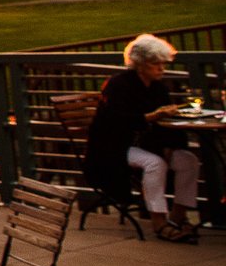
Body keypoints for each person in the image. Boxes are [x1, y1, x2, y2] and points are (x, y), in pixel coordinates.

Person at [85, 33, 201, 243]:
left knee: (188, 160)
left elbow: (163, 127)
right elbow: (115, 122)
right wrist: (152, 116)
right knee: (155, 163)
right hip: (114, 146)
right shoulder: (117, 85)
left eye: (163, 64)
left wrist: (171, 145)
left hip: (147, 144)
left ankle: (178, 215)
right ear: (140, 64)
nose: (161, 69)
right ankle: (159, 221)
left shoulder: (158, 88)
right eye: (156, 64)